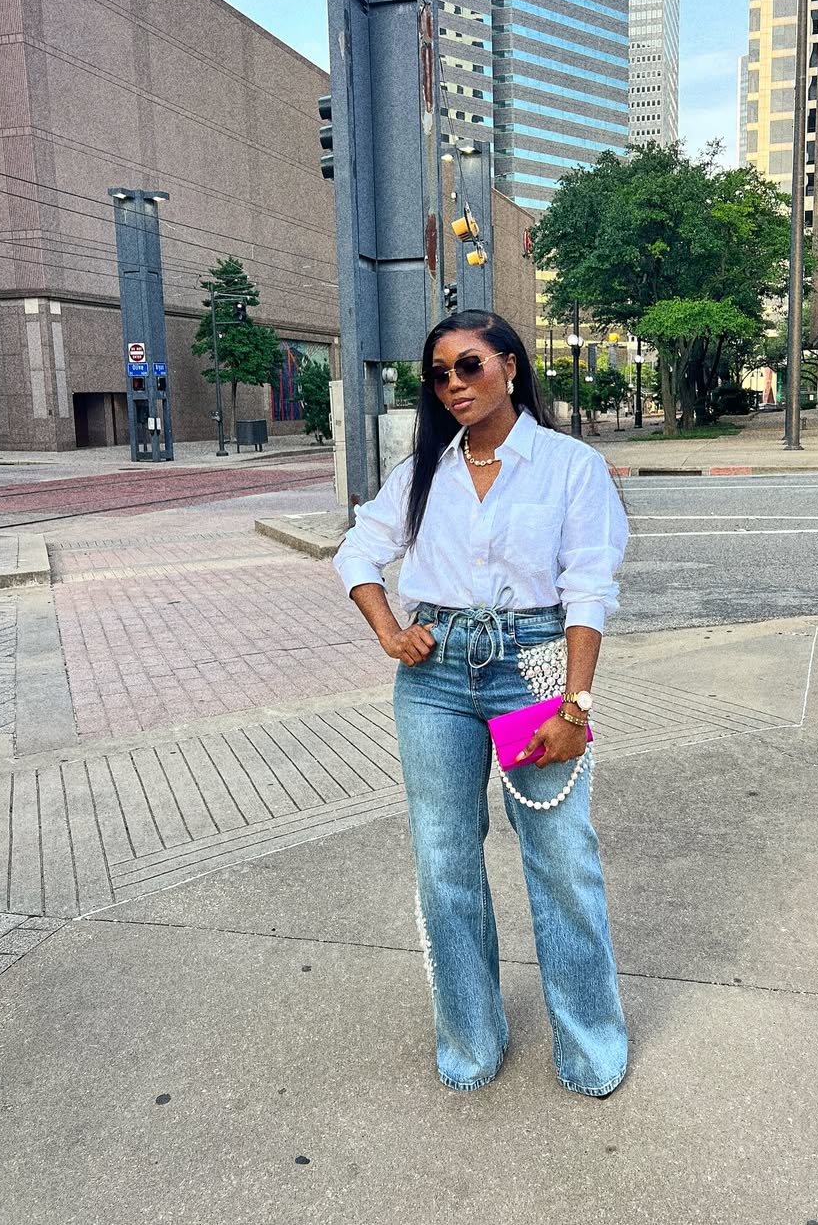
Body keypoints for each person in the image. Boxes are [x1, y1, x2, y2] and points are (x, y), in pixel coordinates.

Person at [332, 309, 629, 1098]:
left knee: (562, 858)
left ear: (509, 366)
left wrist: (576, 704)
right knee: (444, 861)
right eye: (439, 375)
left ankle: (590, 1045)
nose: (454, 385)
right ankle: (471, 1039)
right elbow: (358, 549)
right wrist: (389, 630)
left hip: (531, 668)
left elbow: (588, 588)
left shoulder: (569, 466)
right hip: (434, 678)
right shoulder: (425, 472)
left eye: (469, 365)